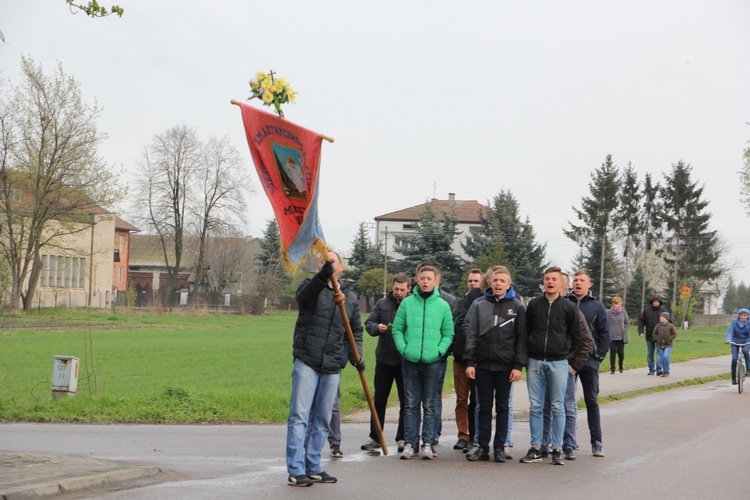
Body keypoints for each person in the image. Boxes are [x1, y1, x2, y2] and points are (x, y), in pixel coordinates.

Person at [285, 251, 364, 487]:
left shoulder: (349, 297)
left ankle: (313, 464)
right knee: (299, 416)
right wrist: (321, 279)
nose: (327, 264)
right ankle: (296, 469)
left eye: (332, 261)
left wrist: (355, 355)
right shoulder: (311, 286)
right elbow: (303, 299)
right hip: (307, 360)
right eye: (323, 261)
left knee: (323, 418)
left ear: (340, 267)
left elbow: (355, 331)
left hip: (332, 365)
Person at [464, 266, 527, 463]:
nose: (498, 284)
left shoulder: (517, 307)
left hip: (506, 367)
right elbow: (472, 334)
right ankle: (482, 447)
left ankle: (499, 447)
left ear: (509, 284)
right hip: (482, 365)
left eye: (502, 281)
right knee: (482, 407)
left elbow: (521, 339)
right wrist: (469, 362)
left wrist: (518, 366)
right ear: (489, 282)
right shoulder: (480, 305)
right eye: (495, 280)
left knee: (502, 408)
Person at [521, 266, 582, 466]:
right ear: (544, 282)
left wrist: (567, 358)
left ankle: (557, 447)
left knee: (558, 406)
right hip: (536, 362)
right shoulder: (534, 305)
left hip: (558, 363)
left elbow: (576, 336)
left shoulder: (568, 307)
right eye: (547, 279)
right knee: (536, 406)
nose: (550, 282)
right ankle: (536, 447)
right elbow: (525, 332)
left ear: (561, 283)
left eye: (554, 279)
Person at [392, 265, 454, 460]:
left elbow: (448, 333)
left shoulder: (443, 305)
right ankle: (410, 442)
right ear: (416, 280)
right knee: (410, 404)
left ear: (436, 280)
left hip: (434, 362)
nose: (425, 281)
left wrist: (439, 351)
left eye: (429, 278)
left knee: (430, 404)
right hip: (410, 361)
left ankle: (428, 442)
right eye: (422, 278)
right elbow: (398, 329)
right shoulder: (407, 304)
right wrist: (404, 349)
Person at [540, 272, 593, 461]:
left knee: (566, 406)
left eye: (561, 284)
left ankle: (568, 444)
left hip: (566, 367)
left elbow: (586, 341)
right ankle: (544, 445)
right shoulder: (542, 308)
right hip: (545, 366)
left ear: (565, 287)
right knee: (545, 407)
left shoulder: (573, 311)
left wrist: (574, 366)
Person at [361, 273, 410, 453]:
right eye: (396, 289)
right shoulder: (382, 304)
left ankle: (403, 437)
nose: (398, 293)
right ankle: (375, 436)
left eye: (402, 290)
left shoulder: (411, 305)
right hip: (384, 359)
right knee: (379, 400)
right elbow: (369, 323)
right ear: (392, 287)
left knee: (406, 401)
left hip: (405, 361)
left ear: (408, 289)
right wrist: (377, 328)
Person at [568, 270, 610, 457]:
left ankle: (597, 441)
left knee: (591, 401)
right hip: (568, 361)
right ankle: (569, 441)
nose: (578, 283)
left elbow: (605, 334)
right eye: (575, 280)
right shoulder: (566, 303)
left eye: (582, 280)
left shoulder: (597, 306)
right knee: (566, 402)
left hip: (590, 361)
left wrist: (599, 356)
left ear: (589, 284)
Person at [450, 268, 484, 451]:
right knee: (461, 400)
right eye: (470, 280)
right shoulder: (460, 303)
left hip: (479, 360)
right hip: (460, 359)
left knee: (477, 400)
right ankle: (463, 435)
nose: (472, 283)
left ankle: (476, 435)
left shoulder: (483, 303)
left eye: (476, 281)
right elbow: (455, 325)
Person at [638, 296, 668, 375]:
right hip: (649, 335)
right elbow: (641, 321)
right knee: (650, 353)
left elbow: (669, 323)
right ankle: (651, 369)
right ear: (652, 302)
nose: (656, 303)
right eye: (654, 302)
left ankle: (659, 369)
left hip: (660, 336)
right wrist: (641, 331)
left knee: (660, 353)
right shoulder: (646, 311)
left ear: (660, 303)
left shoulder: (663, 311)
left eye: (657, 302)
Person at [725, 308, 750, 385]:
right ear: (739, 315)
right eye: (742, 315)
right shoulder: (734, 322)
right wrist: (728, 339)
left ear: (747, 316)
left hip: (747, 341)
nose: (743, 317)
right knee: (734, 359)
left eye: (745, 315)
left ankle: (748, 369)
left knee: (745, 351)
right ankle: (733, 377)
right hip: (735, 341)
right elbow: (730, 331)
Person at [607, 297, 630, 374]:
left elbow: (627, 322)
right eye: (618, 304)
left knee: (620, 353)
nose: (620, 305)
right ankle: (612, 368)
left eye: (621, 304)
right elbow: (605, 322)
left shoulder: (623, 311)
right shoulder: (609, 312)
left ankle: (621, 366)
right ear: (614, 304)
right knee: (612, 352)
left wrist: (625, 329)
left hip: (621, 336)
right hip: (611, 336)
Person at [652, 312, 677, 377]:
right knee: (662, 357)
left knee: (666, 356)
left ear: (666, 318)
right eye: (660, 317)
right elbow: (654, 333)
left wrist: (669, 339)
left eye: (663, 317)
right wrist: (658, 340)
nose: (661, 318)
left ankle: (666, 371)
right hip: (660, 344)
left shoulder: (671, 326)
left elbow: (674, 334)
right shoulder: (658, 326)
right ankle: (663, 371)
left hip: (668, 345)